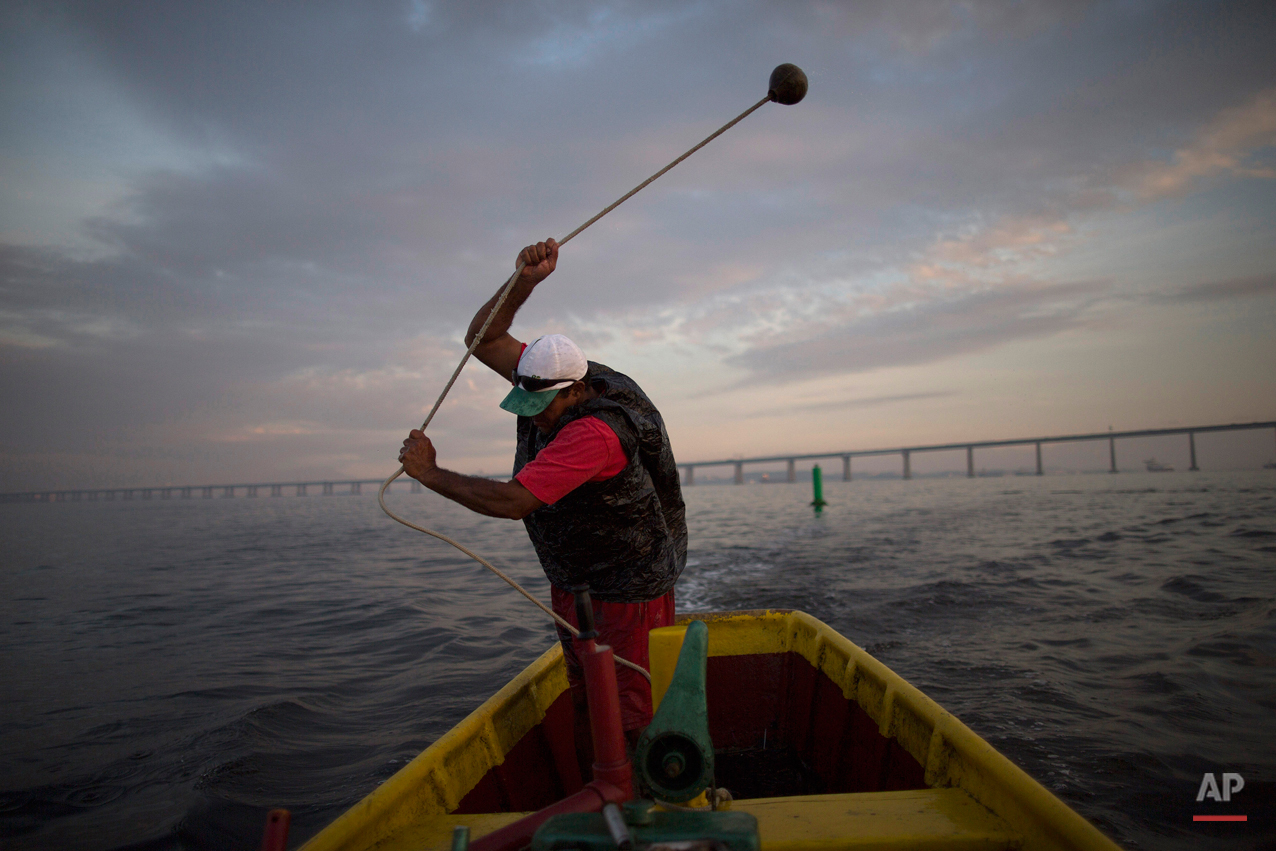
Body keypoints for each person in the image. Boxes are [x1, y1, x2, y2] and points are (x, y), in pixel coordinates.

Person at [398, 238, 687, 750]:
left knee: (627, 714)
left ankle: (636, 807)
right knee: (584, 695)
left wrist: (431, 473)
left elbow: (514, 502)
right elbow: (482, 339)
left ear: (577, 390)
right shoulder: (550, 378)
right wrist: (523, 281)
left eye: (542, 405)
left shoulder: (593, 435)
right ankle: (587, 799)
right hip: (575, 581)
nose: (532, 414)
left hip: (626, 593)